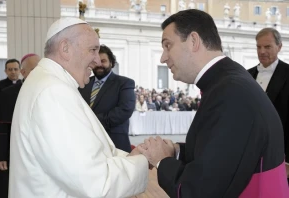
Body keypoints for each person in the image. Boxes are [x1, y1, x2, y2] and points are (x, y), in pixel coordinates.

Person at [137, 9, 289, 197]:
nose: (163, 57)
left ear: (193, 41)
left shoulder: (230, 93)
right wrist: (176, 151)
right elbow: (221, 152)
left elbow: (200, 190)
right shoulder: (228, 81)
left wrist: (162, 161)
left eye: (168, 46)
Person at [9, 18, 148, 198]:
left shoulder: (49, 82)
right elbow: (97, 184)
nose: (97, 61)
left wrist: (133, 156)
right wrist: (144, 160)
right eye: (93, 50)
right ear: (65, 48)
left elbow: (91, 152)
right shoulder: (53, 92)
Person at [0, 54, 40, 198]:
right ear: (23, 72)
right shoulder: (8, 94)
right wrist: (0, 156)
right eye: (34, 70)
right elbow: (1, 127)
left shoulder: (49, 90)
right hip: (15, 150)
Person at [248, 28, 289, 183]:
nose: (262, 51)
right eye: (258, 47)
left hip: (279, 155)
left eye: (267, 47)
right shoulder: (246, 75)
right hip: (250, 155)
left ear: (279, 47)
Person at [79, 44, 136, 152]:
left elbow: (125, 110)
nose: (99, 64)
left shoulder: (124, 83)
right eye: (95, 62)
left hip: (114, 144)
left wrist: (92, 120)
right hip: (88, 144)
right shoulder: (83, 83)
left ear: (111, 63)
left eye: (103, 61)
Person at [0, 58, 21, 198]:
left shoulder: (25, 85)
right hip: (5, 127)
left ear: (20, 70)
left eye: (15, 69)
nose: (13, 72)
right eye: (10, 69)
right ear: (5, 71)